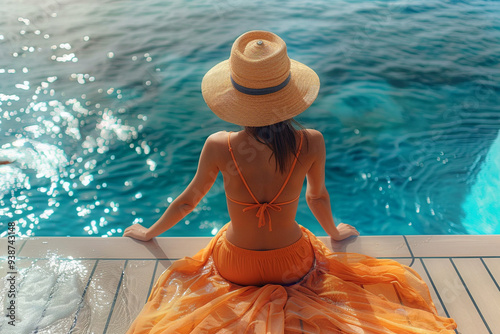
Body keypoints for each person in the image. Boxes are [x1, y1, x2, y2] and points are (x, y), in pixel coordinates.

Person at [123, 31, 457, 333]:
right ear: (288, 94)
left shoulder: (219, 145)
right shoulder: (311, 141)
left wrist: (149, 233)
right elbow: (317, 197)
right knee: (314, 247)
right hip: (292, 264)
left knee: (221, 240)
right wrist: (335, 232)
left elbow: (187, 201)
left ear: (236, 98)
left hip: (236, 266)